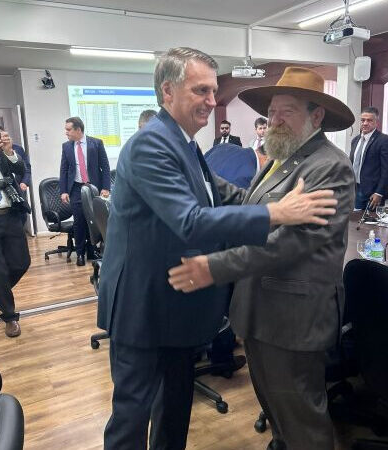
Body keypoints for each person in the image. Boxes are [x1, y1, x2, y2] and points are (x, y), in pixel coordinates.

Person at [97, 49, 338, 450]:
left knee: (174, 410)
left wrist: (261, 201)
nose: (212, 101)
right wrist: (275, 212)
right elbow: (190, 220)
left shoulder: (187, 143)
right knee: (132, 417)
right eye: (202, 90)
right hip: (144, 306)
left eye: (214, 90)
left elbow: (217, 192)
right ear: (168, 91)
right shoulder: (151, 145)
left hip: (176, 304)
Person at [169, 66, 356, 450]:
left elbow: (289, 242)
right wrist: (198, 171)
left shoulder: (328, 166)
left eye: (285, 111)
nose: (274, 120)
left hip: (294, 320)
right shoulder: (282, 156)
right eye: (271, 112)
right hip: (261, 311)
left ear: (316, 115)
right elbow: (248, 203)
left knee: (303, 420)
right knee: (276, 411)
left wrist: (213, 267)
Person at [0, 128, 31, 337]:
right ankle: (10, 316)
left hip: (10, 215)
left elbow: (20, 168)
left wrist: (7, 151)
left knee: (21, 263)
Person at [59, 117, 111, 266]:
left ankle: (93, 250)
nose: (66, 133)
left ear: (78, 129)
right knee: (79, 220)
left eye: (68, 130)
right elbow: (64, 170)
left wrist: (106, 188)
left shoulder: (96, 143)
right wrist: (63, 190)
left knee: (94, 220)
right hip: (76, 188)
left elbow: (105, 167)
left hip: (94, 187)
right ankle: (80, 253)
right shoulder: (67, 147)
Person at [350, 107, 388, 210]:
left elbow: (387, 169)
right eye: (363, 120)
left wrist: (379, 192)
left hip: (372, 194)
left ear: (376, 123)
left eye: (369, 120)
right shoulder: (355, 140)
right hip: (354, 190)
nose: (365, 123)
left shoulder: (385, 140)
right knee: (353, 222)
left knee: (371, 225)